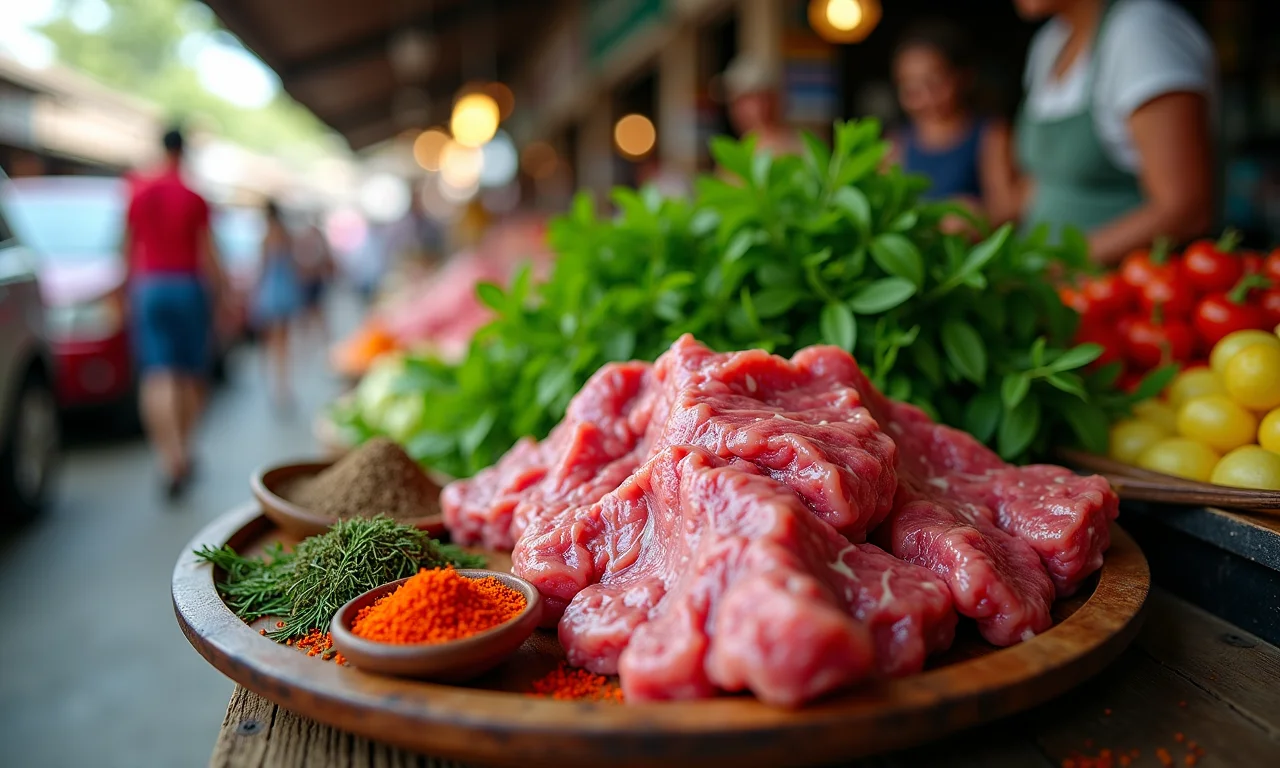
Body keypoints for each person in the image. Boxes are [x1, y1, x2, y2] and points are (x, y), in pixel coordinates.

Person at [991, 0, 1216, 264]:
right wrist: (979, 218)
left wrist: (1061, 263)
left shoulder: (1142, 34)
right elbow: (1049, 182)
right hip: (1055, 286)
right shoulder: (1050, 42)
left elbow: (1185, 210)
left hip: (1125, 290)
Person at [123, 127, 227, 498]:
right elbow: (209, 252)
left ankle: (169, 458)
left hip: (149, 286)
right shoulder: (194, 196)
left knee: (157, 374)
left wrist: (125, 291)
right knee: (190, 375)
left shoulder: (140, 189)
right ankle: (186, 448)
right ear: (184, 152)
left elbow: (126, 244)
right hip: (187, 286)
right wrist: (224, 296)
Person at [890, 21, 1010, 216]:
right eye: (910, 87)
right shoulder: (896, 144)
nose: (924, 97)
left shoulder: (990, 134)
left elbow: (1006, 207)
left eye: (935, 83)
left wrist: (974, 214)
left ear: (963, 77)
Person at [254, 201, 303, 407]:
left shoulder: (267, 236)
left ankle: (277, 384)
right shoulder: (286, 234)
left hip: (272, 291)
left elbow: (263, 266)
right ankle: (284, 385)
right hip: (286, 289)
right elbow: (295, 263)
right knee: (284, 340)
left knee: (273, 342)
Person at [721, 55, 802, 155]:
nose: (735, 110)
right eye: (733, 102)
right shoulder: (743, 147)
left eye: (742, 100)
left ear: (767, 100)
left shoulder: (781, 149)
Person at [294, 216, 334, 346]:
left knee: (315, 310)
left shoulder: (311, 236)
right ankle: (317, 338)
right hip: (311, 278)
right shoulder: (312, 237)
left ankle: (320, 338)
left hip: (313, 278)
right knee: (310, 311)